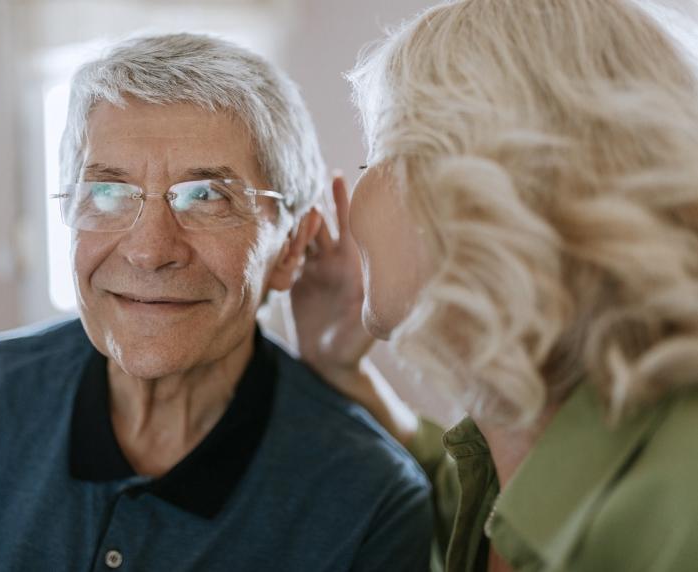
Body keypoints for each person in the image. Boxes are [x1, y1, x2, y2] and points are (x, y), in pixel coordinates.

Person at [0, 33, 433, 571]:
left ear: (290, 248)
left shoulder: (368, 500)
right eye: (108, 190)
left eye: (206, 195)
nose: (150, 251)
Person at [291, 1, 698, 571]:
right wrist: (342, 370)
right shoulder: (518, 441)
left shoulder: (683, 506)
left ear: (495, 176)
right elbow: (465, 502)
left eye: (379, 154)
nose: (357, 198)